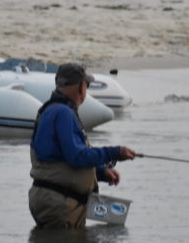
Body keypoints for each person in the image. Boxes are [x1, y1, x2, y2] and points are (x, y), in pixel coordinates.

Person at [29, 63, 138, 229]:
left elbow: (60, 159)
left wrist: (100, 172)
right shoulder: (63, 113)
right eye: (87, 85)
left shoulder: (50, 111)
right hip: (59, 204)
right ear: (81, 87)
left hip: (49, 200)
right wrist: (115, 152)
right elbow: (77, 156)